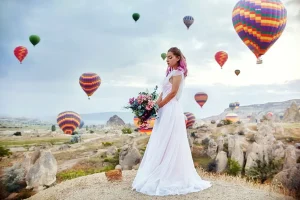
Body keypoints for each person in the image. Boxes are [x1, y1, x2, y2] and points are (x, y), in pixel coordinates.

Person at [131, 47, 212, 196]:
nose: (167, 60)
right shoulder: (170, 72)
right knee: (162, 139)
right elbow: (164, 92)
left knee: (170, 140)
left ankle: (171, 174)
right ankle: (160, 169)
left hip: (171, 109)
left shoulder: (178, 73)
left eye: (170, 57)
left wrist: (159, 105)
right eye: (166, 57)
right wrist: (154, 105)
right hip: (164, 109)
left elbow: (173, 92)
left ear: (178, 58)